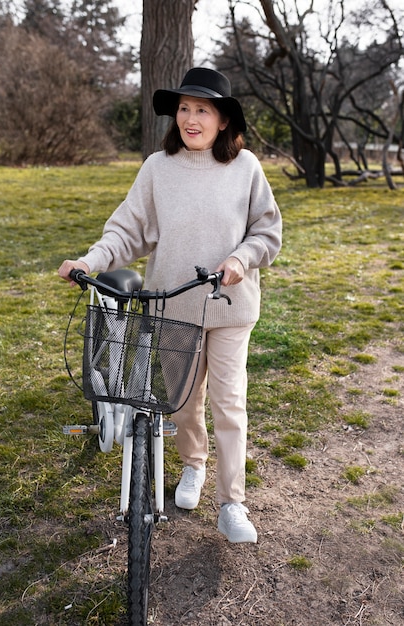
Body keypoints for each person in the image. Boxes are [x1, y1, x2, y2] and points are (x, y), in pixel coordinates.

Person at [59, 67, 282, 544]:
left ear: (223, 120)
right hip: (173, 305)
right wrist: (90, 259)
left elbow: (267, 230)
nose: (190, 118)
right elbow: (127, 230)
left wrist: (242, 258)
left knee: (229, 403)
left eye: (202, 109)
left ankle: (231, 503)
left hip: (230, 308)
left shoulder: (246, 167)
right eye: (184, 108)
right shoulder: (157, 167)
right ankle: (193, 465)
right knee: (182, 405)